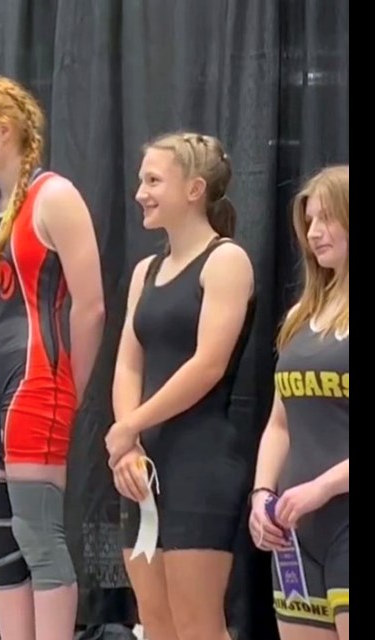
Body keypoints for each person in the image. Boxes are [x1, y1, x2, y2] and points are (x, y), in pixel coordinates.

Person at [0, 74, 106, 640]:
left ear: (5, 130)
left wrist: (72, 389)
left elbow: (90, 307)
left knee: (36, 533)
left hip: (37, 374)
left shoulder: (55, 197)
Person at [106, 132, 256, 640]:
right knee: (157, 622)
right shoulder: (146, 270)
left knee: (196, 624)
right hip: (145, 460)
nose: (140, 193)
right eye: (140, 180)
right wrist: (128, 444)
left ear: (194, 189)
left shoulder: (226, 261)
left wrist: (130, 426)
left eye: (153, 181)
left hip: (201, 458)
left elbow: (207, 365)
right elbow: (128, 364)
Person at [248, 165, 349, 640]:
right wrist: (262, 494)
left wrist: (323, 487)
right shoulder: (299, 316)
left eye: (326, 218)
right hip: (296, 531)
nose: (314, 232)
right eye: (308, 221)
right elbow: (279, 425)